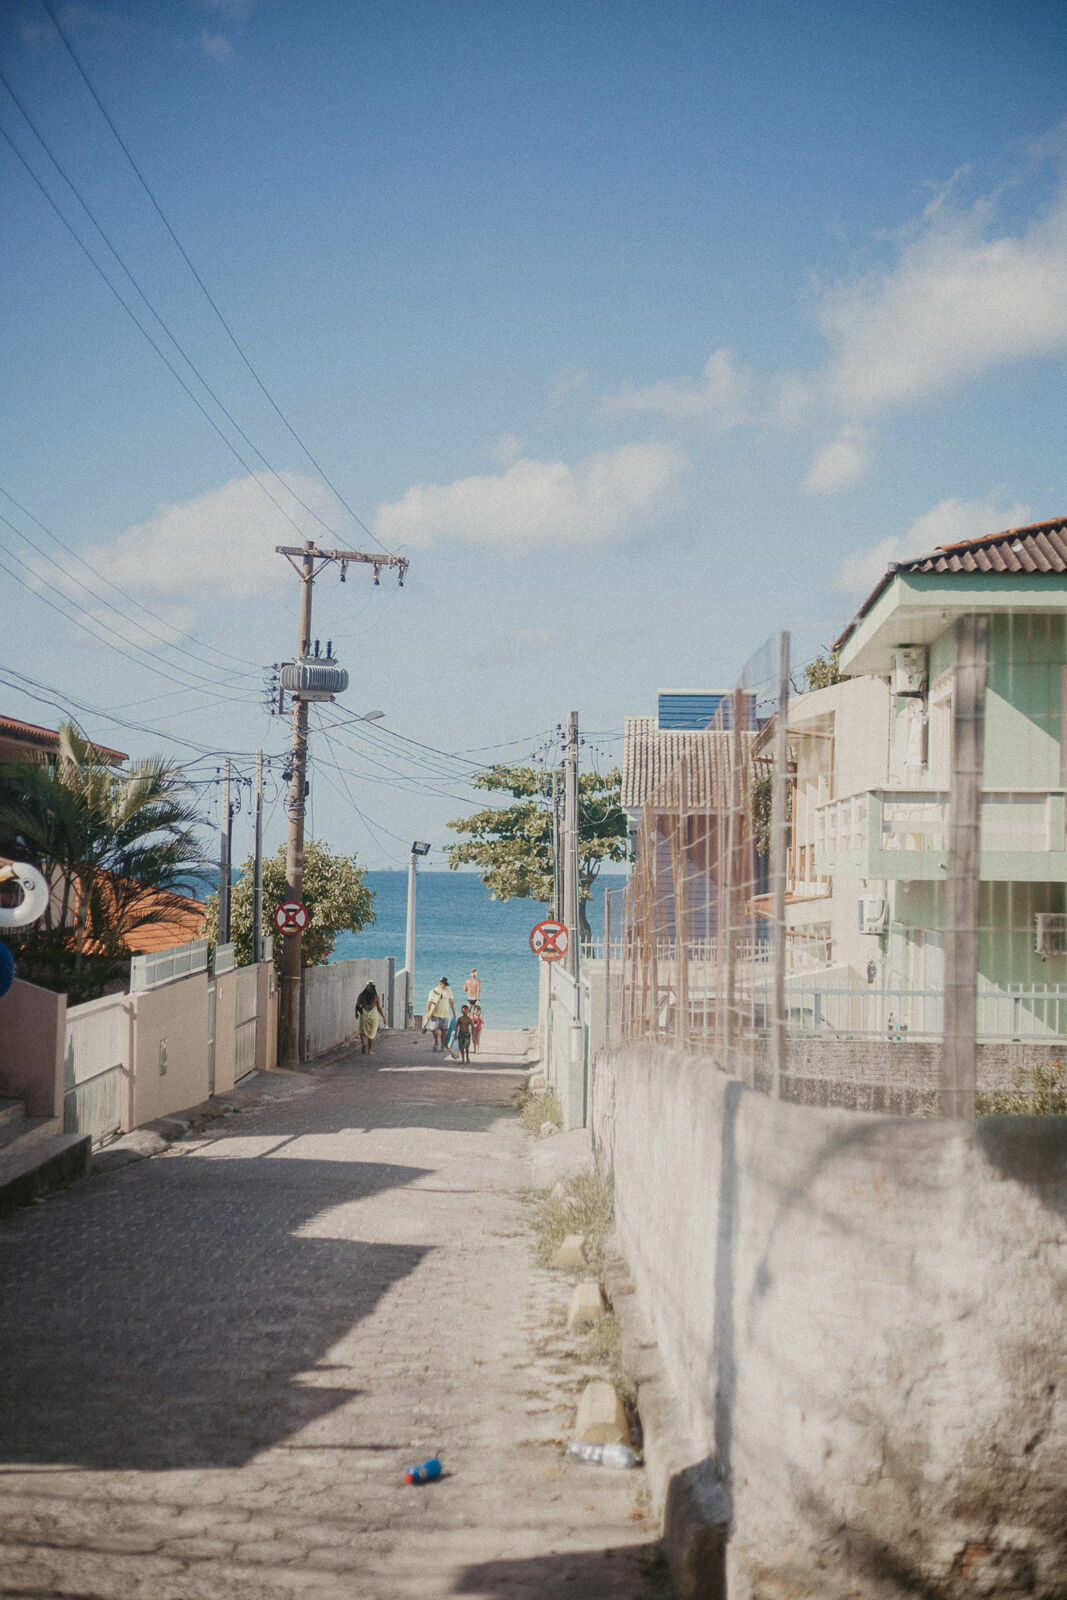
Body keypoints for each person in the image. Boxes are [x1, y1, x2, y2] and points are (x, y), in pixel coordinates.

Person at [423, 976, 455, 1051]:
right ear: (440, 984)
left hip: (445, 1014)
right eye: (444, 984)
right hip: (435, 1014)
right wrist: (428, 1013)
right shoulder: (433, 991)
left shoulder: (449, 991)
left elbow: (451, 1002)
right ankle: (436, 1042)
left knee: (444, 1031)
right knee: (434, 1029)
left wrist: (454, 1012)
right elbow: (429, 1003)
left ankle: (442, 1046)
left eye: (446, 985)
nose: (445, 986)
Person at [355, 981, 386, 1056]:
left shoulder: (361, 995)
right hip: (373, 1016)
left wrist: (356, 1013)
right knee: (371, 1034)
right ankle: (369, 1051)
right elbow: (379, 1008)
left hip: (364, 1015)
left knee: (362, 1032)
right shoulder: (376, 997)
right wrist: (384, 1018)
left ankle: (363, 1045)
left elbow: (357, 1005)